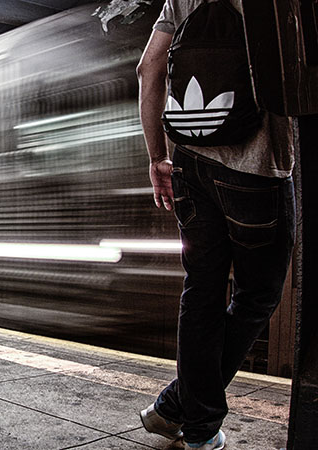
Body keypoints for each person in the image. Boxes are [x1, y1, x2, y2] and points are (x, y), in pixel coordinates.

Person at [136, 2, 295, 449]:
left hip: (188, 162)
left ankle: (177, 410)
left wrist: (156, 158)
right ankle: (194, 421)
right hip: (256, 166)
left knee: (202, 288)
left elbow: (149, 68)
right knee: (257, 295)